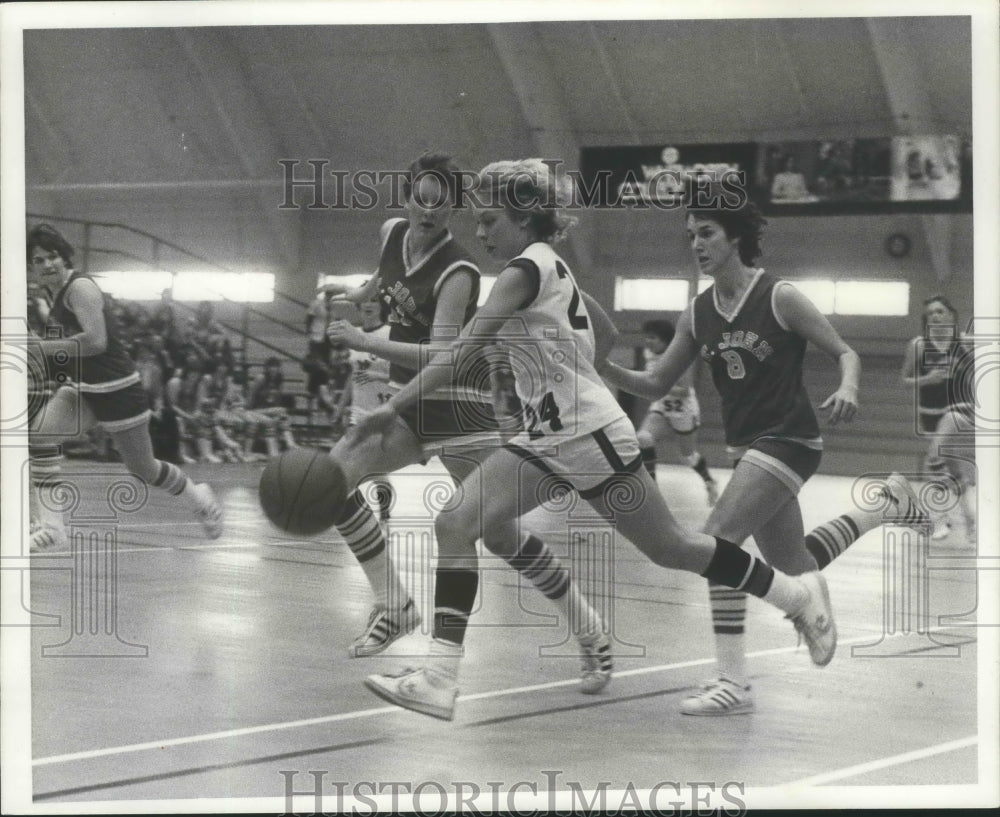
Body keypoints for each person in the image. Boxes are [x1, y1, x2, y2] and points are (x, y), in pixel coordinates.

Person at [353, 160, 838, 722]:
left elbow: (458, 353)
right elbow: (603, 332)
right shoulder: (548, 265)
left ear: (524, 216)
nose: (479, 233)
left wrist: (391, 406)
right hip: (547, 436)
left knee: (673, 548)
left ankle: (797, 597)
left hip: (588, 435)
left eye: (489, 221)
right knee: (457, 522)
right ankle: (439, 679)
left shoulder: (522, 271)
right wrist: (565, 365)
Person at [600, 184, 926, 715]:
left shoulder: (779, 297)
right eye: (690, 236)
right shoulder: (697, 313)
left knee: (716, 542)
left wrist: (848, 386)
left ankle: (734, 681)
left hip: (790, 440)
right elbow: (657, 383)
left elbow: (845, 352)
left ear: (735, 236)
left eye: (706, 233)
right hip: (747, 447)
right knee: (792, 564)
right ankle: (884, 507)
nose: (697, 244)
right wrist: (603, 367)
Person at [323, 152, 611, 696]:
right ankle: (395, 604)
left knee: (501, 537)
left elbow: (441, 351)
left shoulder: (457, 270)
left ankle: (589, 629)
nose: (428, 211)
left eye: (441, 203)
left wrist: (364, 340)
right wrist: (359, 296)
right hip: (411, 403)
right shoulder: (391, 235)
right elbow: (382, 282)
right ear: (406, 197)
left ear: (453, 209)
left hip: (457, 403)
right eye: (420, 198)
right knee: (333, 480)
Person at [25, 224, 223, 552]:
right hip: (84, 389)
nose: (47, 264)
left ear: (64, 256)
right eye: (39, 260)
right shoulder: (53, 293)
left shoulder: (80, 288)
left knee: (144, 469)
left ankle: (198, 497)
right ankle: (53, 526)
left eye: (53, 257)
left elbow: (96, 342)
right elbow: (65, 346)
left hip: (118, 390)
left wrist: (41, 348)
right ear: (31, 267)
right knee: (40, 436)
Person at [900, 295, 977, 542]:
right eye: (931, 312)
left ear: (951, 315)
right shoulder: (918, 345)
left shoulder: (966, 343)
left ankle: (940, 520)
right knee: (954, 473)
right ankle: (971, 520)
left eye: (940, 311)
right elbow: (904, 379)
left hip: (959, 410)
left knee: (934, 457)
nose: (935, 315)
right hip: (930, 414)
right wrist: (926, 379)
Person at [633, 318, 719, 505]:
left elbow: (684, 390)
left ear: (664, 340)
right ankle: (652, 491)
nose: (648, 341)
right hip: (663, 406)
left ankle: (709, 481)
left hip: (683, 409)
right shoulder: (648, 353)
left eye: (652, 338)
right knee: (643, 438)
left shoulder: (678, 357)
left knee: (687, 457)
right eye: (646, 337)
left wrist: (655, 385)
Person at [248, 357, 299, 452]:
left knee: (283, 417)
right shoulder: (261, 378)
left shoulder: (279, 380)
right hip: (256, 410)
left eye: (276, 367)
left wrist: (276, 415)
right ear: (267, 368)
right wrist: (249, 411)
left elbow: (277, 400)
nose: (273, 369)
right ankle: (290, 444)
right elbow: (251, 395)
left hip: (270, 411)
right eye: (271, 367)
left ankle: (290, 444)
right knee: (281, 411)